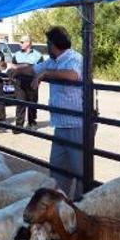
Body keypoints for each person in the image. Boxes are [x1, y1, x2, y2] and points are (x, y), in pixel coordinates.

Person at [31, 26, 83, 198]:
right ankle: (61, 203)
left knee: (80, 170)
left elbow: (73, 75)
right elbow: (33, 69)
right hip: (60, 123)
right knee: (57, 168)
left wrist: (46, 73)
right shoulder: (53, 61)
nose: (47, 47)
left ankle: (84, 206)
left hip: (77, 124)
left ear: (53, 44)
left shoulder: (74, 58)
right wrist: (16, 70)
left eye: (48, 43)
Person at [8, 35, 42, 133]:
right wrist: (12, 78)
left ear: (28, 43)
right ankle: (19, 126)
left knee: (32, 103)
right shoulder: (16, 55)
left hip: (32, 82)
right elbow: (12, 68)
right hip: (19, 82)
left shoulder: (38, 55)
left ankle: (32, 123)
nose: (20, 44)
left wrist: (37, 80)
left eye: (22, 42)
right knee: (20, 103)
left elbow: (41, 70)